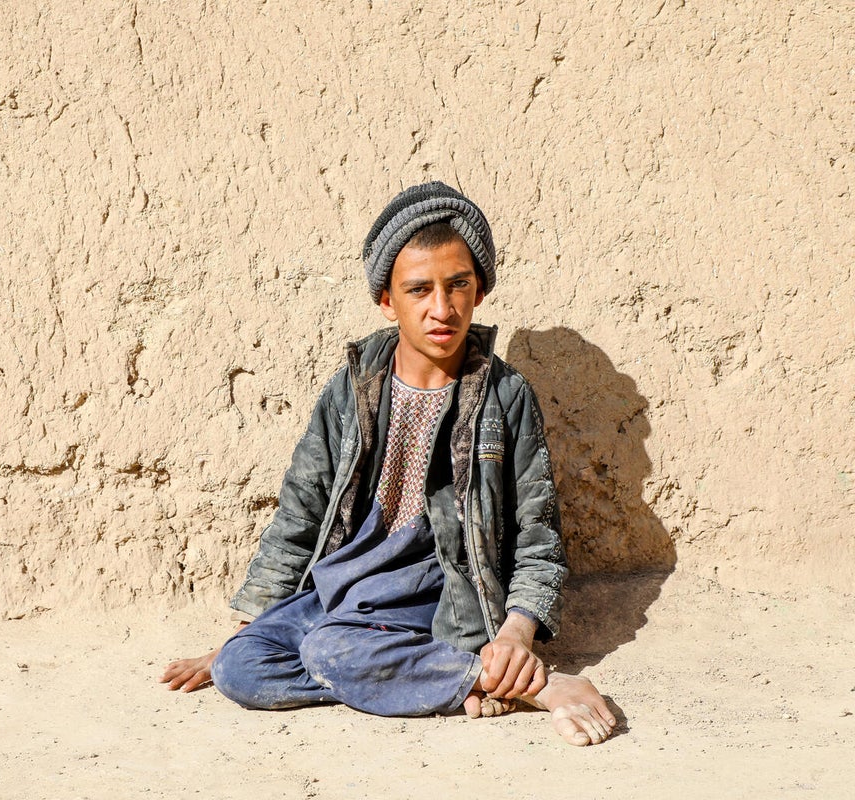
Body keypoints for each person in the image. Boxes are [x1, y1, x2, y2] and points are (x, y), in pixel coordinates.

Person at [161, 181, 616, 746]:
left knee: (328, 649)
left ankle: (536, 686)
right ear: (386, 300)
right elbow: (299, 515)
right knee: (240, 668)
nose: (441, 309)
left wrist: (516, 637)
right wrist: (246, 631)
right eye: (418, 290)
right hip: (341, 590)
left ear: (479, 290)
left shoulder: (506, 397)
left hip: (437, 601)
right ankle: (444, 679)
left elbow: (538, 538)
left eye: (458, 285)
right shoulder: (350, 391)